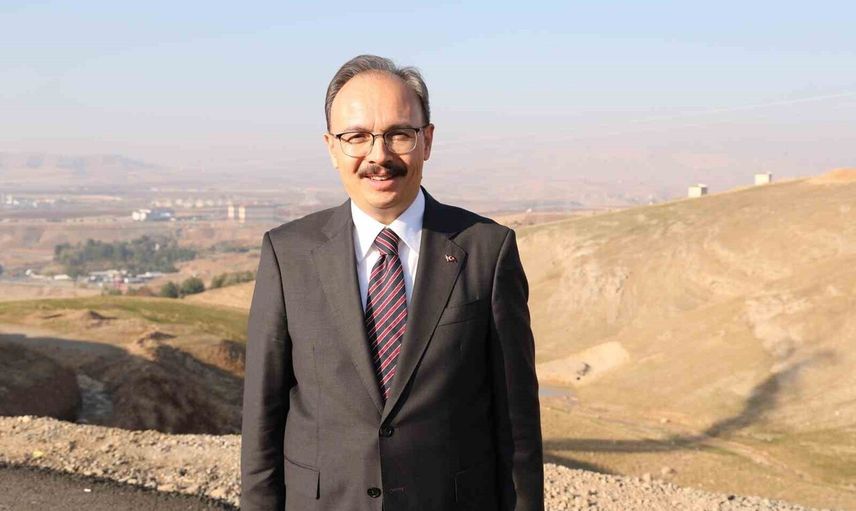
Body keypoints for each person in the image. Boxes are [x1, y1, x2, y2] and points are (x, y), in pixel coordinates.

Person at [240, 54, 543, 511]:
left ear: (427, 141)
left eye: (398, 134)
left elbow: (516, 426)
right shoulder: (288, 255)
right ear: (331, 147)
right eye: (356, 137)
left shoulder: (487, 251)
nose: (378, 156)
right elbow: (262, 418)